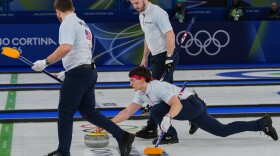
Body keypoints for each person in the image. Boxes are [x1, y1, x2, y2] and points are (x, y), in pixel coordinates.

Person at [31, 0, 135, 156]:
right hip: (88, 72)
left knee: (65, 113)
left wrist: (45, 62)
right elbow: (81, 51)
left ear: (58, 12)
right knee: (88, 112)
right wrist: (66, 72)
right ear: (72, 8)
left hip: (79, 74)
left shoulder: (67, 23)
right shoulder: (82, 23)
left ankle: (63, 152)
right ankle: (123, 136)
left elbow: (66, 47)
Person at [98, 66, 278, 145]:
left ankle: (171, 136)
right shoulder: (141, 93)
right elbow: (127, 112)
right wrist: (108, 125)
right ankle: (261, 123)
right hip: (192, 108)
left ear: (142, 79)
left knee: (156, 110)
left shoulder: (157, 87)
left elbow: (175, 104)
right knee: (222, 131)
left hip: (191, 104)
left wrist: (168, 120)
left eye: (132, 80)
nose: (130, 84)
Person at [129, 0, 198, 144]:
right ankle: (194, 113)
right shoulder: (142, 14)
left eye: (136, 2)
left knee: (157, 92)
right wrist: (145, 57)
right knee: (166, 93)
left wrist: (169, 57)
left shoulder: (158, 13)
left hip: (165, 55)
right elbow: (148, 36)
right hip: (155, 56)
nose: (135, 6)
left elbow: (170, 35)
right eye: (132, 3)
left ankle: (153, 128)